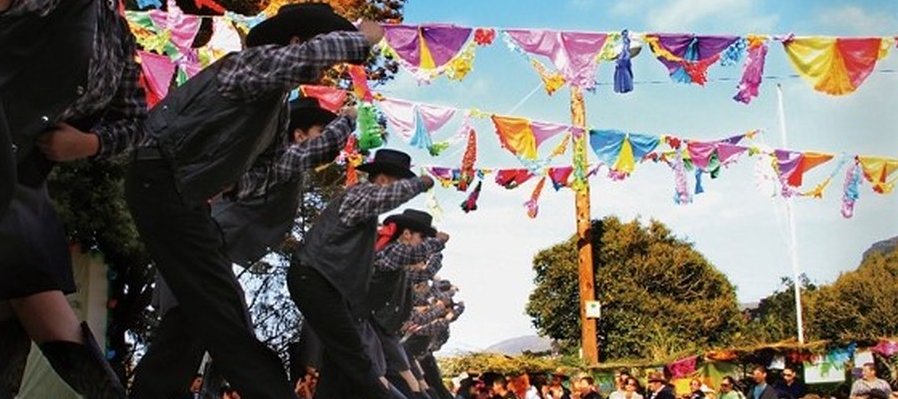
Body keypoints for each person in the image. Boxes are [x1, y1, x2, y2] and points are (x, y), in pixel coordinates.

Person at [125, 3, 381, 398]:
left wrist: (344, 124)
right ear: (297, 42)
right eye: (318, 46)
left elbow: (275, 169)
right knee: (223, 311)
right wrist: (361, 39)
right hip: (160, 179)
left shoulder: (274, 107)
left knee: (197, 316)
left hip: (183, 195)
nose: (324, 70)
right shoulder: (249, 64)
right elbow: (307, 60)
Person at [131, 96, 355, 398]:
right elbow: (316, 150)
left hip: (210, 252)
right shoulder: (283, 156)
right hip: (205, 247)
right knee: (226, 336)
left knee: (194, 334)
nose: (330, 143)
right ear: (299, 135)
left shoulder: (277, 161)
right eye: (319, 129)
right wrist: (350, 119)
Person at [0, 0, 146, 396]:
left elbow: (136, 123)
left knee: (15, 306)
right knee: (32, 282)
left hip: (28, 180)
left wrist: (90, 142)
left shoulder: (118, 36)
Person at [288, 148, 434, 398]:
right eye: (399, 183)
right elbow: (387, 208)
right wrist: (421, 183)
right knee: (356, 358)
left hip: (327, 287)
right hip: (315, 278)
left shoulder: (367, 218)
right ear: (384, 180)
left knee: (340, 361)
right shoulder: (361, 195)